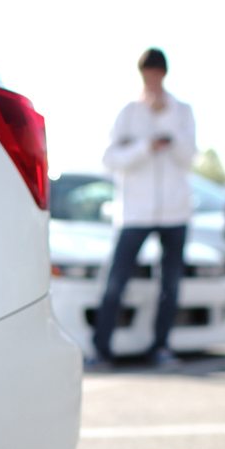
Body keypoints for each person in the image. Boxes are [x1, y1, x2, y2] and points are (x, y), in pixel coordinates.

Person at [91, 47, 199, 367]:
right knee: (116, 281)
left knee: (170, 284)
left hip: (175, 212)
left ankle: (160, 347)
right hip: (135, 213)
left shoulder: (182, 111)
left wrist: (167, 127)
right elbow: (109, 159)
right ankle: (101, 348)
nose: (151, 80)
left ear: (164, 74)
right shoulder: (127, 112)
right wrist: (145, 147)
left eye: (156, 74)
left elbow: (190, 157)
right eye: (146, 74)